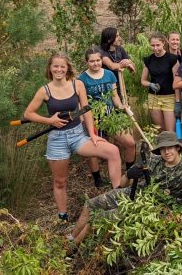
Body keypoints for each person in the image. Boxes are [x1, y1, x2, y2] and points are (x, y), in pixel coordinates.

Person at [24, 52, 123, 222]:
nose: (59, 69)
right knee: (60, 182)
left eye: (62, 66)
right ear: (50, 68)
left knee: (113, 151)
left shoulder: (77, 85)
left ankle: (118, 200)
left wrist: (92, 134)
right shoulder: (45, 90)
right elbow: (28, 113)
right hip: (57, 140)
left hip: (78, 135)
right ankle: (63, 217)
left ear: (67, 68)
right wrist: (50, 120)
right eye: (55, 66)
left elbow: (85, 109)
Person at [69, 131, 182, 245]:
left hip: (152, 206)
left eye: (170, 147)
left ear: (177, 148)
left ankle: (72, 247)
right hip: (135, 193)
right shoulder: (153, 161)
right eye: (163, 148)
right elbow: (122, 184)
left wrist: (178, 206)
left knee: (97, 220)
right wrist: (129, 174)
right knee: (90, 204)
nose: (167, 152)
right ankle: (71, 237)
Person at [77, 47, 136, 187]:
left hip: (110, 116)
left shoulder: (109, 74)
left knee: (130, 143)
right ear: (87, 62)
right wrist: (83, 120)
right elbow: (81, 103)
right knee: (94, 150)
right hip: (93, 117)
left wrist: (122, 107)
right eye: (92, 61)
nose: (96, 63)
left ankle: (129, 173)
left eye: (98, 60)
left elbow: (114, 96)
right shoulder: (81, 79)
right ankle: (97, 178)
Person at [141, 32, 179, 133]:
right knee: (160, 129)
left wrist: (178, 101)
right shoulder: (148, 60)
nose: (155, 48)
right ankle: (163, 149)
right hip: (154, 97)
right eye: (152, 45)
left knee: (170, 131)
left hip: (169, 97)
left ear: (163, 43)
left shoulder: (172, 59)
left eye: (157, 45)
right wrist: (150, 84)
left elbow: (177, 82)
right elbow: (143, 81)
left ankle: (173, 148)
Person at [99, 27, 136, 102]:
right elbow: (112, 66)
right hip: (106, 86)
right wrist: (126, 63)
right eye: (117, 36)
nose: (120, 38)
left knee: (124, 107)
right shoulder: (101, 51)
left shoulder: (120, 49)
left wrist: (128, 62)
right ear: (109, 39)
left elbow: (132, 65)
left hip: (120, 84)